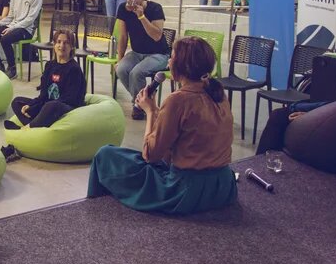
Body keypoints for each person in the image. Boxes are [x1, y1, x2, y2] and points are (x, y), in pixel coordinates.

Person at [88, 36, 237, 215]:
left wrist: (150, 112)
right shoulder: (218, 92)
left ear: (184, 67)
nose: (169, 61)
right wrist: (159, 112)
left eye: (172, 57)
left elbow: (150, 155)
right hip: (223, 187)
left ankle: (95, 211)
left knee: (106, 155)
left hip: (186, 190)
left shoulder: (178, 100)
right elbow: (187, 134)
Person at [5, 30, 85, 131]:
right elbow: (43, 96)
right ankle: (34, 126)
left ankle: (25, 129)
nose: (62, 45)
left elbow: (70, 98)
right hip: (47, 106)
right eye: (59, 42)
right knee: (17, 102)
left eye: (66, 43)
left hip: (65, 107)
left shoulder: (74, 69)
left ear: (71, 47)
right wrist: (32, 105)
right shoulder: (50, 66)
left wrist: (41, 106)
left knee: (51, 105)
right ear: (54, 45)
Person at [116, 0, 170, 120]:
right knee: (121, 69)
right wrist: (119, 58)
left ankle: (139, 106)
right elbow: (122, 36)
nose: (131, 0)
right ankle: (143, 101)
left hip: (158, 53)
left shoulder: (155, 8)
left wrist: (141, 17)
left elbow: (157, 36)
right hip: (137, 52)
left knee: (136, 73)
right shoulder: (123, 9)